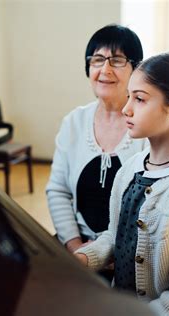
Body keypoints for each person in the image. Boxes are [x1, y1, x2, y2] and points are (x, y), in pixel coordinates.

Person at [75, 51, 169, 315]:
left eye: (140, 99)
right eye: (129, 97)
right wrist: (82, 259)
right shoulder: (130, 170)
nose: (126, 109)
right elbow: (115, 236)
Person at [46, 24, 147, 254]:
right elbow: (58, 190)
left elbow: (152, 211)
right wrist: (75, 246)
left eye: (118, 60)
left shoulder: (148, 127)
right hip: (76, 247)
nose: (105, 69)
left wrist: (107, 256)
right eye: (98, 59)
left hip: (131, 256)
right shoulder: (74, 122)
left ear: (136, 69)